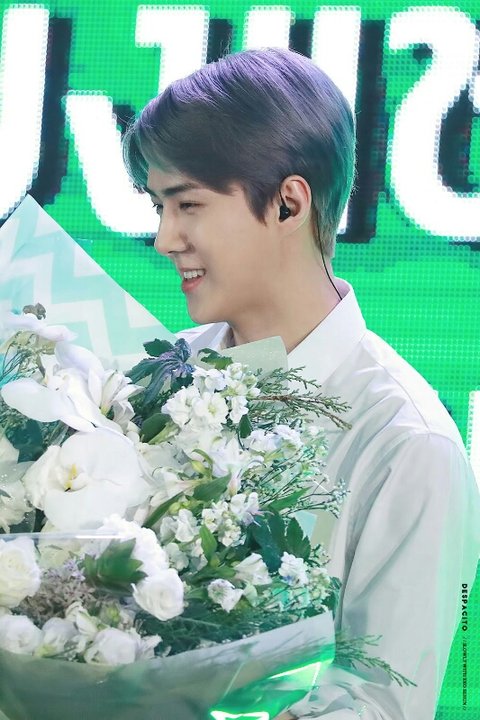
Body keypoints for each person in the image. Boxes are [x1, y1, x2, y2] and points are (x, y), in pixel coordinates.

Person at [122, 47, 480, 719]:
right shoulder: (151, 381)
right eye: (158, 206)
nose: (165, 238)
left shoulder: (407, 444)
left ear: (288, 204)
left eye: (187, 204)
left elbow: (379, 705)